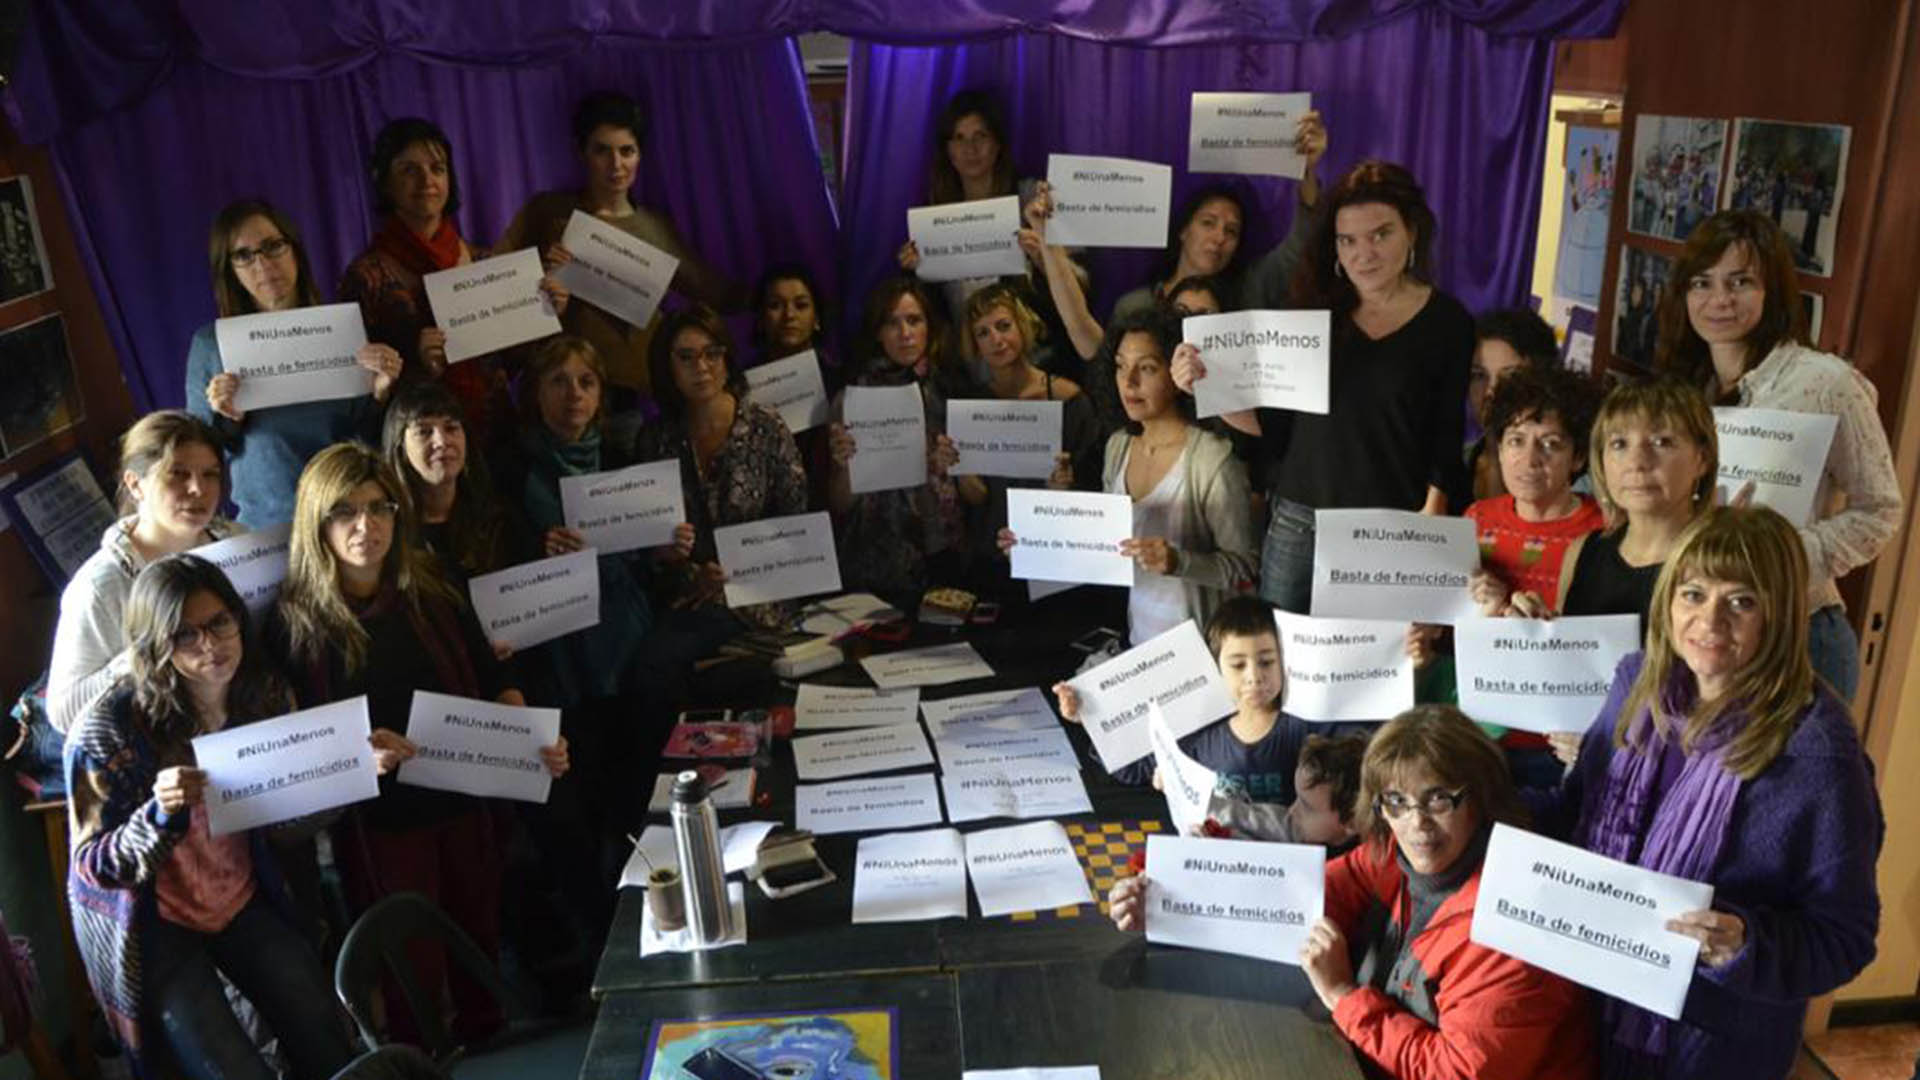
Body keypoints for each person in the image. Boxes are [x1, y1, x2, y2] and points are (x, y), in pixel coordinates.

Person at [1532, 507, 1882, 1078]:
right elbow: (1575, 811)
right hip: (1588, 1008)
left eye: (1742, 601)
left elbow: (1845, 936)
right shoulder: (1635, 683)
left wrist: (1746, 946)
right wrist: (1479, 807)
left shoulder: (1818, 749)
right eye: (1693, 594)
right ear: (1668, 600)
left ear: (1782, 615)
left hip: (1713, 1050)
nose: (1710, 621)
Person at [269, 443, 568, 1045]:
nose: (366, 526)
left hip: (464, 794)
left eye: (379, 508)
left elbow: (489, 670)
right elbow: (294, 745)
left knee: (478, 931)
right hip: (381, 820)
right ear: (316, 520)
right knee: (411, 960)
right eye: (345, 512)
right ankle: (422, 1060)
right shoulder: (295, 623)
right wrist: (358, 756)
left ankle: (489, 1043)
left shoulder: (431, 582)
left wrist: (521, 724)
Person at [65, 555, 362, 1080]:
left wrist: (353, 769)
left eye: (220, 622)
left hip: (241, 894)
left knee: (320, 1024)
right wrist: (157, 816)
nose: (210, 644)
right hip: (154, 922)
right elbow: (93, 867)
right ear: (156, 646)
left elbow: (288, 826)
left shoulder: (264, 694)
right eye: (185, 635)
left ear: (237, 617)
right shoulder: (108, 728)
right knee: (227, 1065)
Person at [1174, 161, 1475, 613]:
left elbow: (1446, 435)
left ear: (1411, 232)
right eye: (1348, 240)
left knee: (1375, 666)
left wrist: (1431, 518)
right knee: (1281, 657)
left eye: (1380, 234)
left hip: (1392, 523)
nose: (1363, 254)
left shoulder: (1448, 322)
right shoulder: (1313, 315)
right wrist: (1206, 388)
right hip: (1300, 520)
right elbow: (1273, 428)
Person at [1654, 209, 1899, 701]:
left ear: (1773, 291)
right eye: (1703, 282)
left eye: (1740, 281)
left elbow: (1881, 509)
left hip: (1799, 635)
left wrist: (1782, 557)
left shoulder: (1825, 383)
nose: (1719, 300)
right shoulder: (1685, 388)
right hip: (1704, 634)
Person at [1303, 706, 1597, 1079]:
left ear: (1481, 796)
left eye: (1438, 798)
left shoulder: (1515, 930)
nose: (1416, 824)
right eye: (1396, 801)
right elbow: (1326, 888)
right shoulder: (1393, 851)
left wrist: (1343, 996)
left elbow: (1455, 1072)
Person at [1008, 310, 1256, 643]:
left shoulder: (1211, 458)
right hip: (1140, 646)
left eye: (1147, 368)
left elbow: (1246, 571)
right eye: (1121, 366)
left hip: (1205, 659)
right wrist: (1031, 544)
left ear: (1178, 374)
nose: (1130, 381)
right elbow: (1103, 548)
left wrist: (1179, 562)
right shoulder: (1118, 446)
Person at [339, 117, 567, 450]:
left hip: (496, 440)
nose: (427, 180)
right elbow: (356, 388)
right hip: (419, 444)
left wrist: (547, 314)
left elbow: (515, 363)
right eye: (410, 170)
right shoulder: (365, 276)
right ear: (385, 182)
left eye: (437, 168)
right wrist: (414, 362)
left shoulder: (483, 261)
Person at [499, 91, 741, 394]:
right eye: (602, 151)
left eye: (627, 151)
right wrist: (535, 275)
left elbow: (708, 288)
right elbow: (497, 280)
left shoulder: (655, 227)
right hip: (565, 388)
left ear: (640, 155)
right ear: (581, 152)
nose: (616, 164)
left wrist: (775, 296)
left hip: (638, 392)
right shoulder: (549, 212)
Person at [185, 199, 404, 527]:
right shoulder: (209, 345)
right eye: (244, 255)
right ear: (228, 269)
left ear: (295, 251)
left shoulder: (341, 329)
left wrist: (380, 395)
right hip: (271, 527)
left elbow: (370, 443)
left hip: (349, 519)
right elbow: (200, 463)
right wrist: (228, 419)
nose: (263, 264)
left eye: (273, 246)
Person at [48, 411, 243, 734]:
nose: (198, 489)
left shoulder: (239, 541)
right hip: (163, 745)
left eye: (210, 475)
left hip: (246, 724)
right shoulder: (101, 585)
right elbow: (64, 711)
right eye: (177, 474)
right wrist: (147, 655)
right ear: (135, 484)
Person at [1463, 366, 1604, 787]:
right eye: (1516, 441)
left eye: (1551, 444)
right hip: (1481, 736)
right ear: (1499, 449)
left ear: (1578, 457)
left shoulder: (1605, 531)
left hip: (1560, 745)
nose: (1530, 459)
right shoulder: (1475, 519)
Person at [637, 305, 807, 636]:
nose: (701, 367)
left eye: (711, 353)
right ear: (667, 368)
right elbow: (649, 546)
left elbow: (797, 525)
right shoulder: (655, 439)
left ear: (727, 358)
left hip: (761, 599)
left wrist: (741, 568)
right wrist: (685, 569)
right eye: (685, 357)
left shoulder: (766, 427)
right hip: (686, 600)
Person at [1054, 595, 1309, 799]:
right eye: (1238, 665)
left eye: (1266, 662)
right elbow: (1132, 771)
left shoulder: (1306, 726)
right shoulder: (1195, 722)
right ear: (1215, 666)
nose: (1254, 676)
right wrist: (1092, 718)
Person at [1105, 730, 1365, 926]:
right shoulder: (1290, 825)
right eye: (1296, 799)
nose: (1293, 809)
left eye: (1307, 807)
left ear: (1352, 821)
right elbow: (1244, 817)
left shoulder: (1362, 871)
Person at [824, 277, 970, 604]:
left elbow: (977, 493)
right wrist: (843, 466)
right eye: (892, 323)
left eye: (914, 320)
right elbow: (840, 504)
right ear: (877, 332)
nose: (905, 334)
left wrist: (958, 465)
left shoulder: (952, 390)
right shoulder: (851, 398)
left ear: (929, 326)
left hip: (944, 548)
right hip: (875, 557)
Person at [1109, 111, 1328, 324]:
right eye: (1208, 223)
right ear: (1183, 230)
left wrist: (1305, 170)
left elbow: (1298, 247)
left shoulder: (1248, 293)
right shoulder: (1135, 308)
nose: (1219, 237)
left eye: (1231, 231)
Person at [955, 284, 1101, 588]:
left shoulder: (1069, 399)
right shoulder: (971, 408)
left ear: (1022, 326)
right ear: (975, 346)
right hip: (993, 558)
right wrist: (961, 471)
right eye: (982, 333)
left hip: (1056, 556)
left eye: (1003, 326)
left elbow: (1095, 488)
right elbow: (978, 497)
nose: (996, 339)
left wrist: (1064, 485)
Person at [380, 380, 514, 585]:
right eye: (424, 432)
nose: (442, 442)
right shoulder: (387, 530)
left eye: (451, 428)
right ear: (400, 448)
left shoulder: (498, 519)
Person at [1462, 307, 1561, 505]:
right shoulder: (1453, 466)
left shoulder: (1569, 474)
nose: (1491, 391)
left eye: (1510, 376)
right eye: (1478, 376)